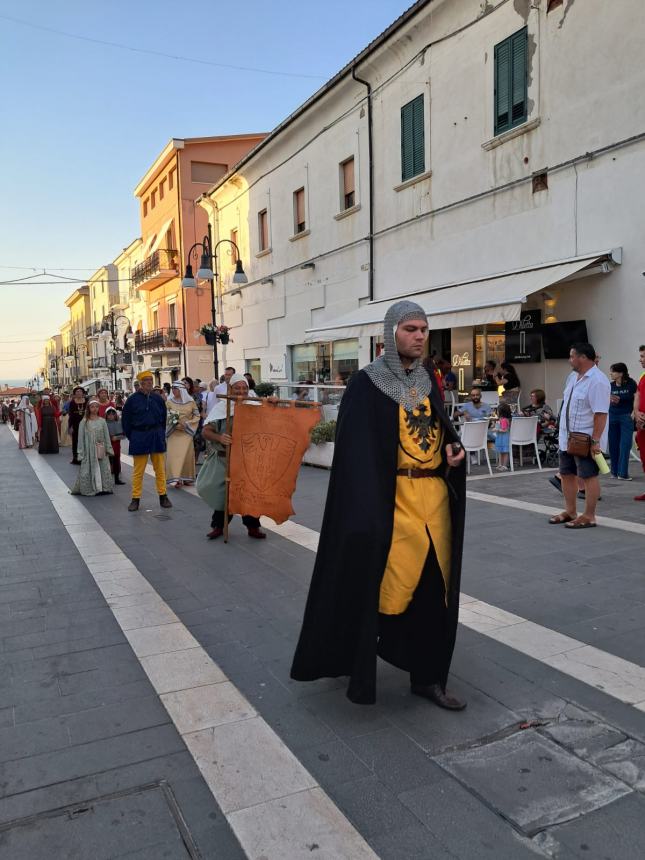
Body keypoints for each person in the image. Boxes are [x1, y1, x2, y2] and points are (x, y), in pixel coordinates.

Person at [290, 300, 467, 708]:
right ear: (390, 335)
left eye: (423, 329)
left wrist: (453, 451)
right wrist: (364, 510)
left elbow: (441, 429)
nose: (420, 336)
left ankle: (427, 678)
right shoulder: (367, 383)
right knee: (375, 589)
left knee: (431, 592)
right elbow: (356, 454)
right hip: (391, 505)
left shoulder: (429, 379)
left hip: (434, 503)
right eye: (411, 329)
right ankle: (355, 658)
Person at [197, 374, 266, 540]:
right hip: (224, 460)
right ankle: (218, 526)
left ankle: (252, 527)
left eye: (244, 388)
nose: (241, 391)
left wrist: (273, 405)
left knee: (248, 495)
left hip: (246, 460)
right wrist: (220, 437)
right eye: (237, 388)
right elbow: (206, 431)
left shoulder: (255, 407)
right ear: (230, 389)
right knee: (224, 495)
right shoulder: (221, 408)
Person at [549, 343, 610, 529]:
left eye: (571, 356)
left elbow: (600, 413)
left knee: (589, 475)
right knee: (567, 473)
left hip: (585, 437)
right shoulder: (574, 378)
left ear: (582, 357)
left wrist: (596, 440)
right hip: (567, 436)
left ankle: (589, 515)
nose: (569, 360)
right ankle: (570, 511)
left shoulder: (598, 381)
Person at [121, 370, 173, 512]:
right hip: (140, 435)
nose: (150, 382)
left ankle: (163, 496)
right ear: (141, 384)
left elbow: (163, 417)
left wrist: (161, 434)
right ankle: (135, 499)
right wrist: (133, 437)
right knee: (138, 471)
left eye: (151, 380)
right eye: (147, 381)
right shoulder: (132, 400)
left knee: (160, 469)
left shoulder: (158, 399)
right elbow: (126, 421)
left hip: (156, 435)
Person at [71, 399, 114, 496]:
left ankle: (104, 488)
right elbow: (80, 438)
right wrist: (81, 452)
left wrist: (108, 448)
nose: (94, 409)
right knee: (88, 468)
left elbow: (106, 435)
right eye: (92, 407)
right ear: (89, 408)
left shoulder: (102, 421)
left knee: (103, 467)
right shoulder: (84, 422)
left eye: (96, 407)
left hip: (100, 448)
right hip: (89, 450)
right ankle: (90, 487)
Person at [165, 381, 200, 488]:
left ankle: (186, 478)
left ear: (181, 390)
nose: (174, 390)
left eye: (176, 388)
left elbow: (197, 415)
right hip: (174, 432)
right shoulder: (169, 402)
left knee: (187, 456)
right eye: (173, 388)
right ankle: (176, 478)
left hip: (186, 433)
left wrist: (188, 424)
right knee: (173, 456)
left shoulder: (191, 402)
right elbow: (166, 415)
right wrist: (174, 424)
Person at [608, 362, 637, 481]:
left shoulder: (631, 383)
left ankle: (623, 473)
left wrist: (634, 412)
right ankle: (614, 472)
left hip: (626, 416)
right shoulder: (610, 385)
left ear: (620, 373)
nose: (611, 373)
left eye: (613, 371)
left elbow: (636, 397)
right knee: (613, 445)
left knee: (625, 444)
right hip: (612, 416)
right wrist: (610, 399)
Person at [634, 345, 645, 501]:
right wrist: (636, 412)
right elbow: (637, 394)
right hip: (642, 424)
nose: (640, 359)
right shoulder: (643, 375)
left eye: (643, 356)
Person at [105, 407, 125, 485]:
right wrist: (109, 438)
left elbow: (123, 435)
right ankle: (107, 480)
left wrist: (117, 437)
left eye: (112, 414)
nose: (111, 416)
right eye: (109, 414)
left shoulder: (119, 422)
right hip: (107, 444)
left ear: (115, 415)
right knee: (108, 462)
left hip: (116, 445)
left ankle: (117, 479)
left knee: (116, 462)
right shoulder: (104, 423)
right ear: (106, 415)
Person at [68, 387, 87, 464]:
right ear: (75, 394)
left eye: (80, 391)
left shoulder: (87, 401)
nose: (79, 393)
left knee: (85, 441)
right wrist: (70, 426)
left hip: (86, 423)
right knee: (75, 441)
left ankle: (85, 458)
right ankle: (76, 458)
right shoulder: (72, 402)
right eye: (77, 392)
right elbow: (71, 415)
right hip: (75, 424)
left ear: (83, 393)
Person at [494, 402, 512, 471]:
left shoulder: (504, 420)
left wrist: (496, 429)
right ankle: (500, 464)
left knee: (504, 451)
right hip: (501, 438)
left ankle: (504, 465)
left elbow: (505, 430)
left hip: (503, 438)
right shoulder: (502, 419)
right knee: (501, 451)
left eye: (497, 411)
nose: (497, 412)